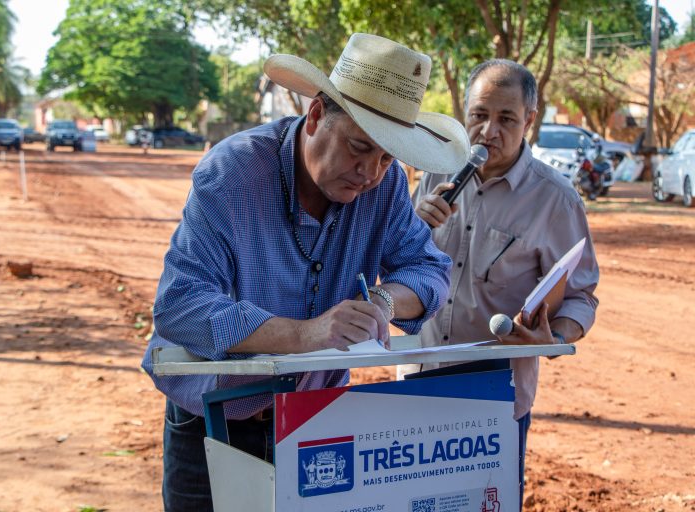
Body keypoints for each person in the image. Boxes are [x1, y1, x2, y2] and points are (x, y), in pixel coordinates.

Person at [141, 33, 470, 512]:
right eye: (360, 147)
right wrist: (306, 334)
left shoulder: (385, 185)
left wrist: (382, 302)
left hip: (315, 423)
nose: (370, 173)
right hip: (214, 423)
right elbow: (180, 307)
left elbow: (428, 270)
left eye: (385, 157)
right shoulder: (233, 174)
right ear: (316, 116)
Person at [411, 59, 599, 507]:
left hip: (495, 396)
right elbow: (401, 266)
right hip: (417, 382)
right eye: (478, 115)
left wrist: (554, 335)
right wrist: (413, 228)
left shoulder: (554, 199)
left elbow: (581, 295)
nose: (488, 131)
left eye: (506, 119)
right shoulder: (436, 174)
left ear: (529, 120)